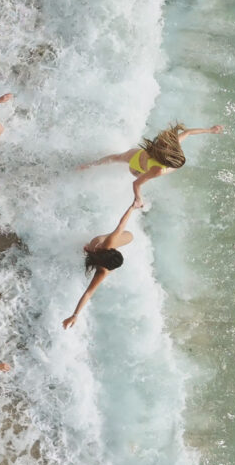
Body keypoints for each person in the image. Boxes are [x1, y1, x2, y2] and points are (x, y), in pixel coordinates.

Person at [79, 123, 224, 208]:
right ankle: (90, 165)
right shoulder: (158, 170)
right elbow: (136, 183)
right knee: (172, 169)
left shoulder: (169, 146)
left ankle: (90, 165)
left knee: (117, 157)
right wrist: (139, 199)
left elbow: (188, 132)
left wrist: (210, 130)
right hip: (136, 170)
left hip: (136, 155)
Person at [62, 202, 138, 329]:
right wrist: (132, 207)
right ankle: (90, 251)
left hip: (113, 247)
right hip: (127, 236)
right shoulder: (108, 243)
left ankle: (90, 252)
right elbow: (121, 225)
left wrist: (75, 315)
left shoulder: (102, 271)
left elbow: (88, 293)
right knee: (123, 236)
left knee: (92, 249)